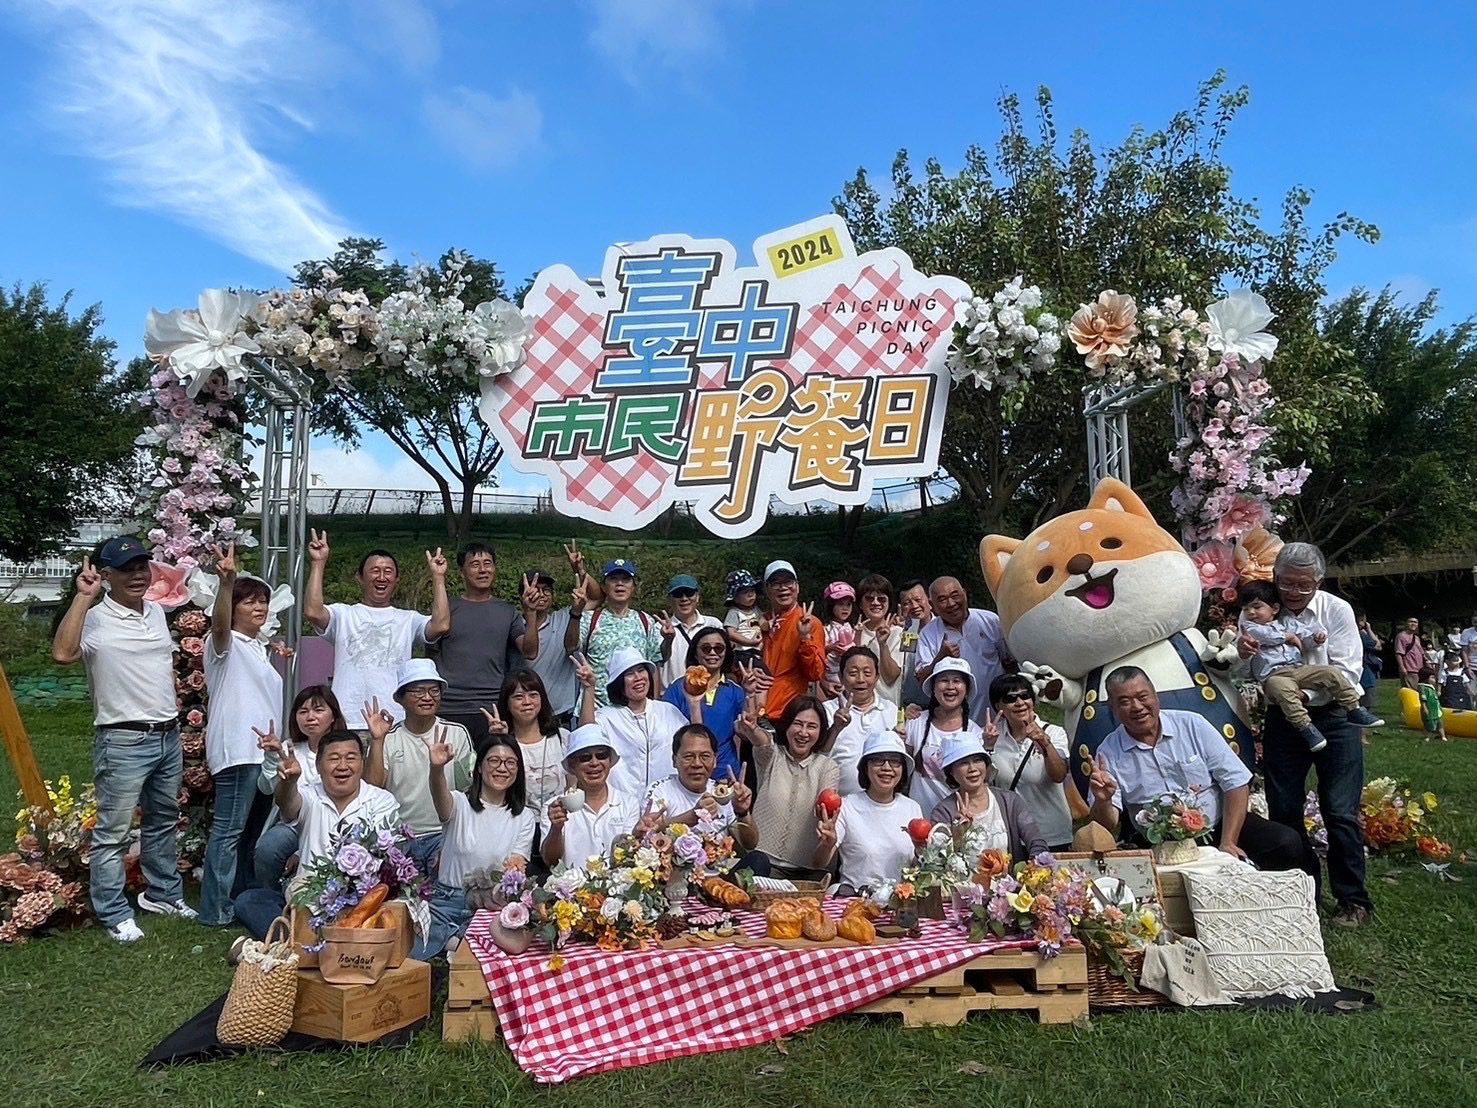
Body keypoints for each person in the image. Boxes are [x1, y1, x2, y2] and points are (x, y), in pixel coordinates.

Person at [51, 536, 194, 942]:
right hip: (123, 740)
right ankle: (113, 912)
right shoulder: (95, 618)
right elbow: (63, 654)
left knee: (163, 822)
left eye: (142, 566)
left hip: (167, 735)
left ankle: (163, 894)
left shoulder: (156, 614)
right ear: (107, 575)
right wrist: (83, 598)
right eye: (126, 568)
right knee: (113, 833)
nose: (137, 574)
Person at [1239, 543, 1376, 927]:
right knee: (1285, 810)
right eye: (1286, 584)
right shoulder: (1258, 611)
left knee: (1340, 811)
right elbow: (1246, 669)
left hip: (1335, 716)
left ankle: (1353, 901)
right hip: (1284, 719)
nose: (1294, 593)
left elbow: (1348, 670)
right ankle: (1301, 897)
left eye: (1304, 585)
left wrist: (1304, 694)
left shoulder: (1336, 610)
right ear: (1275, 578)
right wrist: (1243, 652)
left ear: (1318, 581)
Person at [1089, 667, 1303, 873]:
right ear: (1113, 710)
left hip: (1218, 825)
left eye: (1142, 697)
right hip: (1159, 841)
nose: (1136, 707)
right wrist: (1103, 800)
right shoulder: (1108, 752)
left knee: (1286, 843)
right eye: (1124, 702)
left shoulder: (1192, 724)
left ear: (1156, 697)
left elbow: (1235, 782)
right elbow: (1107, 822)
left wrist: (1228, 842)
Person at [233, 729, 399, 939]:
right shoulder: (310, 794)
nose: (342, 766)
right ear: (319, 767)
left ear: (361, 764)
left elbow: (385, 855)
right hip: (307, 897)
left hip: (361, 900)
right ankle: (305, 943)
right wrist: (289, 782)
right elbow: (288, 805)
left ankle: (293, 945)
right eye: (334, 758)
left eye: (351, 758)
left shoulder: (381, 801)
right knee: (249, 901)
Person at [198, 543, 277, 927]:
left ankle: (241, 896)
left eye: (263, 601)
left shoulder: (258, 648)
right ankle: (214, 909)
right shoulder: (223, 645)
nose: (259, 607)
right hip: (237, 752)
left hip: (263, 755)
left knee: (249, 834)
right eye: (250, 602)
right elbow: (218, 626)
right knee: (229, 832)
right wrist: (226, 585)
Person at [303, 530, 451, 729]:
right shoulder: (343, 614)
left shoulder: (408, 619)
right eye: (374, 571)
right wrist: (318, 563)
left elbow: (440, 625)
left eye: (388, 571)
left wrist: (438, 578)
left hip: (395, 722)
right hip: (347, 721)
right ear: (360, 578)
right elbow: (313, 611)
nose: (382, 577)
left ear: (396, 580)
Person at [417, 733, 536, 959]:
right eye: (494, 760)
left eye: (510, 762)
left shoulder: (524, 817)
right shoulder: (459, 803)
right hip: (446, 901)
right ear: (480, 766)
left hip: (489, 906)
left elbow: (516, 867)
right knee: (414, 932)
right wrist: (436, 769)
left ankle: (459, 943)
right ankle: (462, 943)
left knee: (512, 938)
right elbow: (440, 797)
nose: (502, 768)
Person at [1236, 579, 1382, 752]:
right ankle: (1306, 727)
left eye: (1256, 607)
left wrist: (1315, 639)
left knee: (1330, 672)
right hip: (1274, 675)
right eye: (1246, 609)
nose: (1250, 612)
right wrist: (1287, 637)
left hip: (1298, 669)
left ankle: (1353, 708)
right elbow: (1265, 636)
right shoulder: (1249, 628)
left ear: (1274, 609)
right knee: (1282, 690)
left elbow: (1304, 635)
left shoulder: (1286, 622)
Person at [363, 659, 474, 878]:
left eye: (434, 690)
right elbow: (373, 788)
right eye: (418, 691)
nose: (427, 697)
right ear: (401, 699)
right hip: (400, 837)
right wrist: (377, 741)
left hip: (444, 835)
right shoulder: (389, 737)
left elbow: (469, 788)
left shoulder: (458, 733)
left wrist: (455, 841)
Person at [429, 543, 541, 748]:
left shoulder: (507, 611)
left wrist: (531, 614)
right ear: (462, 571)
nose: (483, 570)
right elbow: (430, 648)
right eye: (475, 564)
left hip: (493, 707)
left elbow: (530, 651)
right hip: (449, 707)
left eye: (488, 563)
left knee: (493, 772)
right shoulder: (448, 608)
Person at [252, 685, 347, 892]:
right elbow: (266, 789)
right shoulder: (289, 749)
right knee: (267, 848)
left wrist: (300, 851)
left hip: (334, 823)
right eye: (302, 712)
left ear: (333, 716)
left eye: (318, 710)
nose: (310, 717)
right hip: (294, 824)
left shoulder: (345, 750)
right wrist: (271, 758)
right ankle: (271, 900)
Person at [737, 695, 839, 878]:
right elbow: (763, 741)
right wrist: (753, 729)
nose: (803, 732)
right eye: (798, 724)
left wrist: (826, 820)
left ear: (821, 731)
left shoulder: (826, 766)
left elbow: (827, 803)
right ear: (786, 726)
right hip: (763, 864)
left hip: (804, 870)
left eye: (812, 726)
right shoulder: (772, 756)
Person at [812, 733, 923, 895]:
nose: (886, 767)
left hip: (899, 901)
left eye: (894, 761)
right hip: (855, 899)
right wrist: (826, 844)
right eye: (878, 760)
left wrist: (921, 852)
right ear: (866, 767)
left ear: (902, 769)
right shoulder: (847, 806)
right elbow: (818, 863)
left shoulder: (912, 808)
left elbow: (915, 868)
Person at [982, 673, 1074, 852]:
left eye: (1025, 696)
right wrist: (988, 748)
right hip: (1009, 835)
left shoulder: (1054, 732)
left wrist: (1044, 742)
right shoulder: (990, 735)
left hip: (1051, 834)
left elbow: (1058, 775)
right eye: (1010, 698)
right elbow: (984, 783)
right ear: (998, 706)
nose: (1020, 703)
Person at [582, 646, 688, 800]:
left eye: (641, 670)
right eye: (630, 674)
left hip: (666, 802)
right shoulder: (606, 716)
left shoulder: (667, 711)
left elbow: (692, 744)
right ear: (619, 682)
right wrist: (588, 688)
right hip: (622, 803)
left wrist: (694, 703)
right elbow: (586, 736)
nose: (638, 677)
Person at [640, 724, 759, 858]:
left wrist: (743, 812)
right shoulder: (659, 790)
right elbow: (647, 835)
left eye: (705, 756)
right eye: (689, 756)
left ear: (715, 760)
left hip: (718, 871)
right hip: (674, 872)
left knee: (758, 859)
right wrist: (691, 817)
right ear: (674, 761)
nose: (697, 764)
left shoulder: (722, 792)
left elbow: (750, 844)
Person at [929, 736, 1048, 868]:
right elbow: (936, 863)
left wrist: (1037, 868)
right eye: (963, 763)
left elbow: (1036, 841)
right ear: (951, 771)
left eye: (977, 760)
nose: (972, 768)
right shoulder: (943, 812)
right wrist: (957, 837)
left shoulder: (1009, 801)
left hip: (1010, 886)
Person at [539, 723, 641, 867]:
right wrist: (556, 828)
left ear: (610, 761)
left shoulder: (629, 803)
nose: (594, 763)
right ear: (572, 765)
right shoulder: (554, 807)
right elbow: (550, 861)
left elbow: (629, 857)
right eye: (585, 758)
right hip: (570, 888)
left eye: (601, 755)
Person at [569, 556, 662, 711]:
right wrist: (576, 613)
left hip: (635, 711)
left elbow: (653, 666)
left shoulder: (646, 621)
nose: (620, 584)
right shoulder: (589, 619)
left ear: (633, 587)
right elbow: (570, 646)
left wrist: (655, 706)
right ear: (604, 588)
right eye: (613, 579)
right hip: (595, 709)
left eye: (625, 579)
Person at [916, 577, 1007, 724]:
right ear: (933, 604)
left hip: (997, 712)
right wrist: (940, 658)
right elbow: (921, 680)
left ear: (964, 594)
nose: (951, 603)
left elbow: (1008, 661)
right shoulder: (928, 634)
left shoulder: (990, 621)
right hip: (954, 720)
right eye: (942, 599)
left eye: (955, 595)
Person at [661, 625, 747, 781]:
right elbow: (664, 731)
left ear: (726, 652)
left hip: (725, 773)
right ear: (695, 652)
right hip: (688, 774)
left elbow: (745, 732)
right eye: (706, 648)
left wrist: (752, 695)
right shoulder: (678, 688)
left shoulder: (736, 691)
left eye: (719, 648)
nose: (713, 653)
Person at [484, 670, 569, 825]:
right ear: (507, 704)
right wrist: (500, 740)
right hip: (516, 825)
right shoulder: (503, 745)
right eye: (518, 697)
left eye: (533, 695)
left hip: (561, 824)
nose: (527, 702)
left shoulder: (562, 737)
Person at [905, 657, 984, 817]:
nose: (950, 687)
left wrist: (989, 746)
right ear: (933, 688)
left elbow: (981, 781)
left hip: (960, 819)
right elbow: (903, 769)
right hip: (919, 819)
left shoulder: (975, 733)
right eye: (943, 680)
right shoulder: (916, 722)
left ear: (966, 689)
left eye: (957, 681)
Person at [821, 646, 901, 796]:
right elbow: (816, 758)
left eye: (867, 673)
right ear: (840, 676)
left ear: (877, 677)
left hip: (881, 804)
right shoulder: (826, 711)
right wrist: (835, 728)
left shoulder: (891, 711)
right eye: (853, 673)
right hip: (837, 803)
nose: (861, 679)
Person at [759, 560, 825, 723]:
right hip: (757, 712)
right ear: (767, 589)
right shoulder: (759, 622)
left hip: (789, 714)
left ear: (797, 586)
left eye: (788, 581)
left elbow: (815, 673)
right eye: (776, 583)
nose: (783, 588)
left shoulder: (810, 623)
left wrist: (805, 638)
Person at [524, 566, 585, 729]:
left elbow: (598, 596)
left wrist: (580, 569)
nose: (541, 594)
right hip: (524, 718)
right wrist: (530, 612)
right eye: (535, 590)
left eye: (546, 590)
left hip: (562, 719)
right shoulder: (514, 625)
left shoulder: (566, 617)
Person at [657, 573, 723, 691]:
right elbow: (660, 659)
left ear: (697, 597)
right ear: (669, 599)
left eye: (689, 593)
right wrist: (668, 639)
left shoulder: (714, 624)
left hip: (711, 694)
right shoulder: (659, 628)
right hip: (674, 697)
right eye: (678, 594)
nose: (684, 599)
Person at [854, 574, 906, 707]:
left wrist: (883, 645)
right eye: (869, 598)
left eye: (882, 599)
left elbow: (891, 677)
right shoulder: (852, 633)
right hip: (856, 707)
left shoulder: (899, 633)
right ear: (860, 603)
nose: (876, 603)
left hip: (889, 708)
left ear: (889, 603)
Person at [896, 578, 933, 709]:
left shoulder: (942, 627)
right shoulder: (906, 632)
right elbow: (906, 666)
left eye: (918, 600)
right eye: (907, 603)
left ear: (929, 599)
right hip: (910, 705)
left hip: (940, 702)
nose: (914, 606)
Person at [819, 581, 859, 698]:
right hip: (831, 675)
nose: (845, 608)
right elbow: (818, 652)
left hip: (849, 673)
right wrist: (831, 647)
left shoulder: (851, 627)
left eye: (848, 605)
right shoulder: (825, 629)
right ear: (831, 606)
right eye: (840, 604)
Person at [723, 569, 764, 665]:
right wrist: (749, 642)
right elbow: (731, 633)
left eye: (752, 591)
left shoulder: (756, 610)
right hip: (742, 652)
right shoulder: (734, 612)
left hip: (757, 652)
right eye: (745, 592)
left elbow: (763, 624)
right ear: (736, 598)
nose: (751, 595)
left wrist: (770, 622)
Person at [1355, 609, 1384, 710]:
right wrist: (1369, 629)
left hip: (1356, 671)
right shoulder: (1360, 635)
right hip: (1365, 671)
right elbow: (1378, 646)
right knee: (1366, 703)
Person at [1418, 665, 1449, 741]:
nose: (1434, 679)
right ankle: (1427, 736)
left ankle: (1443, 736)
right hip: (1429, 708)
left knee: (1440, 722)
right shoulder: (1423, 688)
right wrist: (1424, 707)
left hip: (1436, 708)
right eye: (1432, 678)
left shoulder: (1431, 687)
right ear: (1425, 678)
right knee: (1429, 724)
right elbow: (1423, 699)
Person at [1394, 617, 1425, 690]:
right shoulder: (1401, 636)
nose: (1413, 624)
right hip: (1409, 669)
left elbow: (1422, 653)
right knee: (1410, 692)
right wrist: (1402, 667)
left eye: (1415, 622)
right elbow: (1399, 653)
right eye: (1411, 622)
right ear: (1406, 624)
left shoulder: (1416, 638)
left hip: (1419, 669)